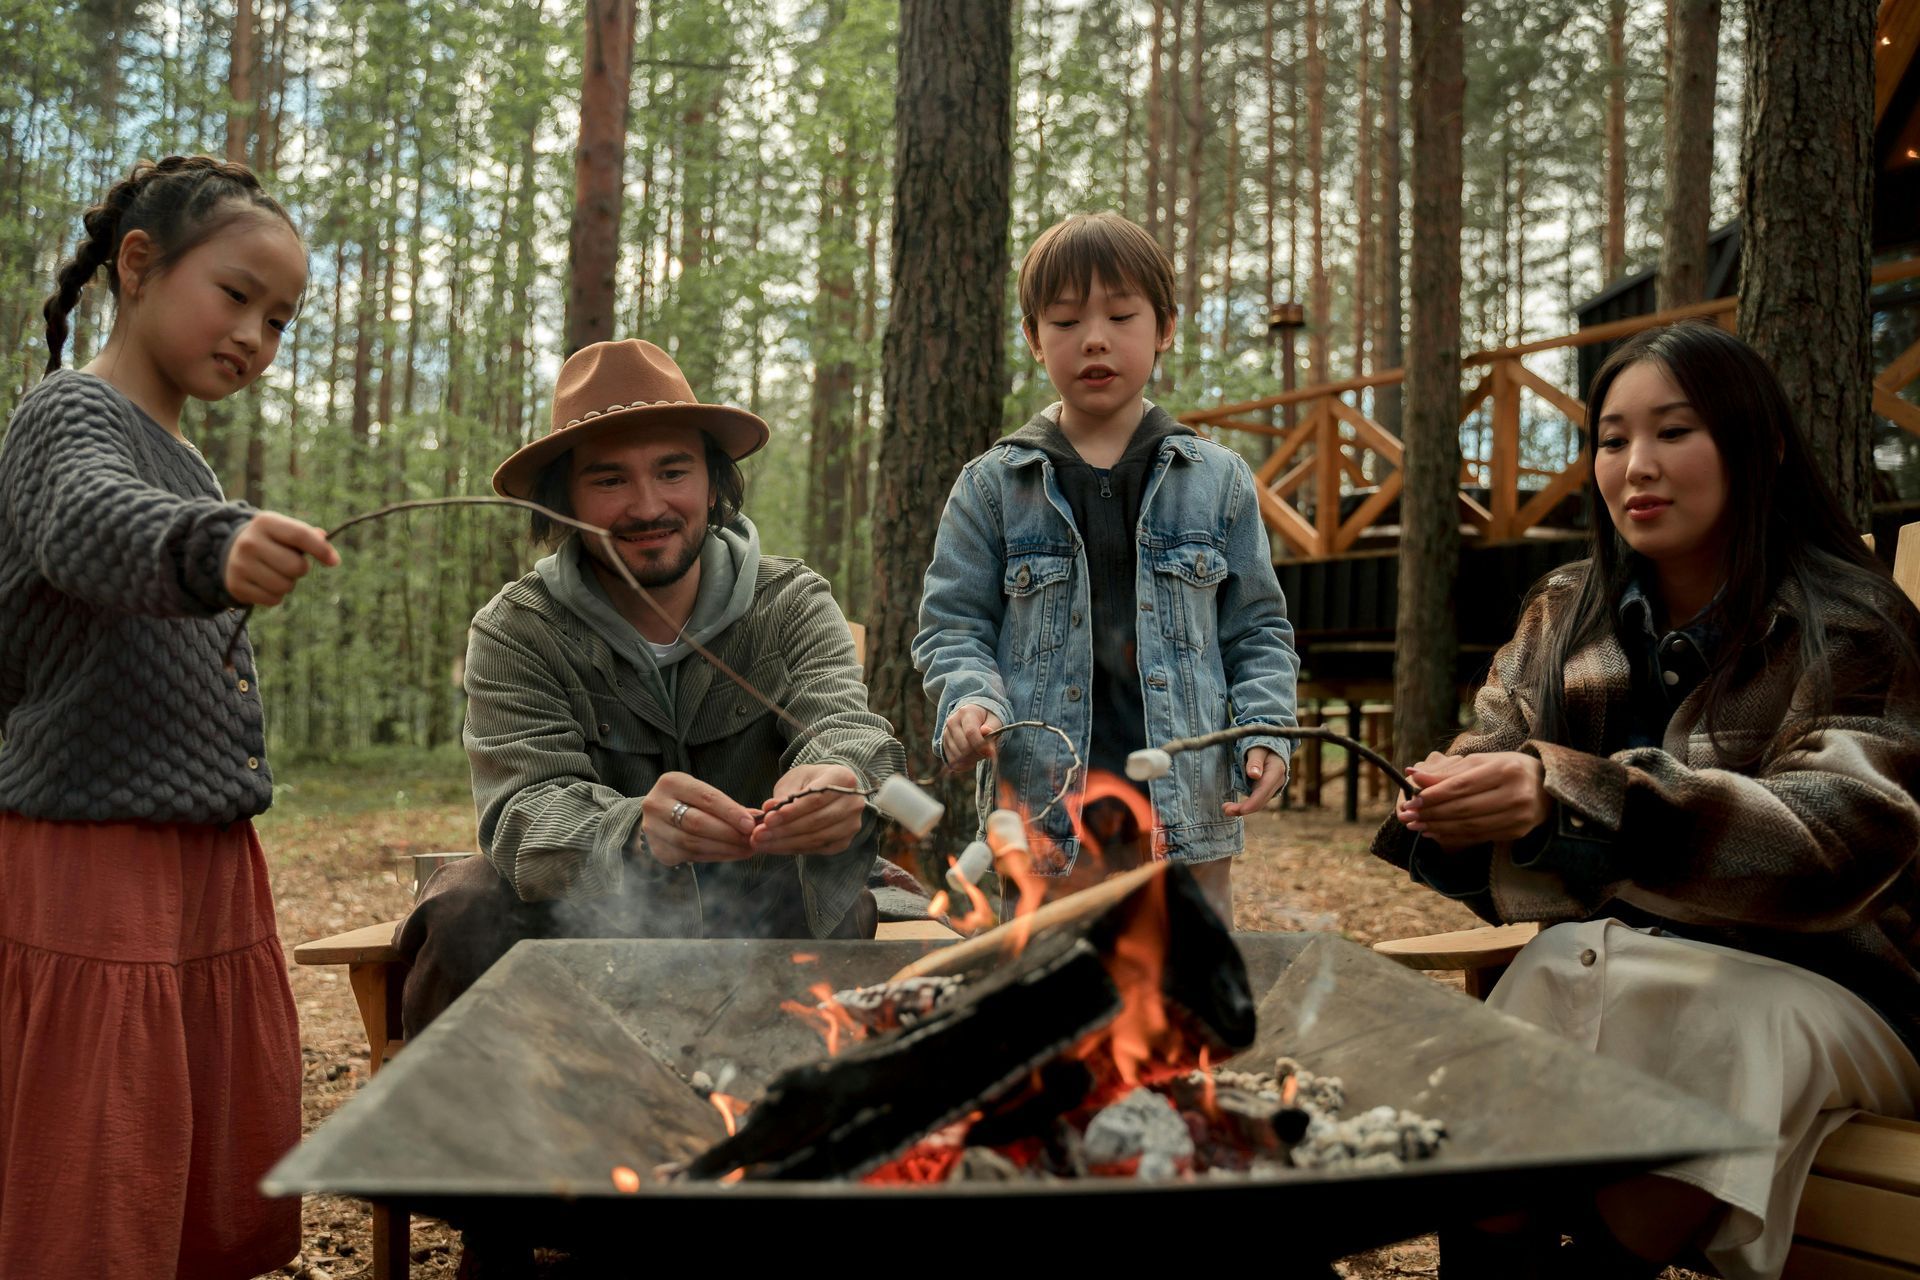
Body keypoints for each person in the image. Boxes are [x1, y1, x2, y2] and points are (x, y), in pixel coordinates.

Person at [1374, 322, 1920, 1280]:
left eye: (1674, 432)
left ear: (1762, 445)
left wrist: (1574, 797)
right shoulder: (1565, 611)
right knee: (1546, 986)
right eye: (1613, 439)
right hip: (1615, 969)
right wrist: (1457, 802)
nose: (1638, 466)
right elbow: (1497, 756)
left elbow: (1835, 846)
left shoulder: (1853, 623)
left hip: (1838, 993)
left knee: (1719, 1019)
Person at [0, 154, 340, 1278]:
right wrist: (211, 543)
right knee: (100, 1168)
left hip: (202, 861)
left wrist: (213, 519)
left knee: (194, 1159)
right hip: (99, 866)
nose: (256, 334)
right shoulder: (67, 415)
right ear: (138, 266)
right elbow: (85, 522)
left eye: (281, 319)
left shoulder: (187, 459)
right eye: (236, 294)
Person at [397, 338, 906, 1036]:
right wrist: (634, 835)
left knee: (835, 897)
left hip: (759, 909)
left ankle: (790, 1129)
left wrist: (842, 777)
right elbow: (522, 811)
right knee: (465, 909)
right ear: (564, 499)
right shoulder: (517, 629)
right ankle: (495, 1132)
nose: (647, 506)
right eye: (609, 481)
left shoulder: (791, 602)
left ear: (711, 480)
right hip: (581, 928)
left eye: (673, 471)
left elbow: (845, 724)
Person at [913, 212, 1300, 922]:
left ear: (1165, 327)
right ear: (1033, 338)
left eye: (1121, 315)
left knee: (1183, 1004)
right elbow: (953, 624)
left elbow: (1258, 632)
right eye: (1064, 322)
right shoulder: (991, 487)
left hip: (1184, 818)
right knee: (1045, 1000)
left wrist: (1266, 729)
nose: (1094, 338)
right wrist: (971, 701)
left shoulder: (1219, 481)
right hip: (1043, 819)